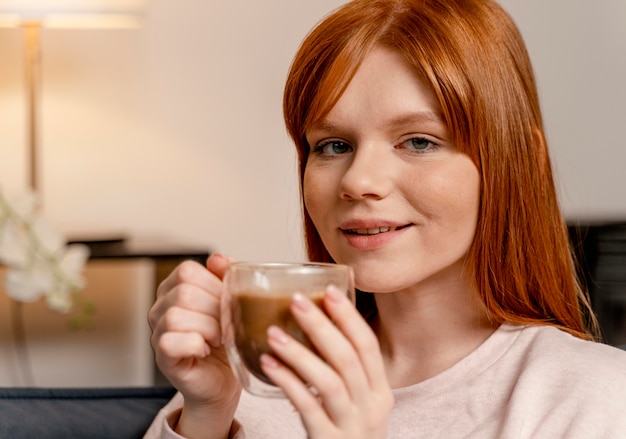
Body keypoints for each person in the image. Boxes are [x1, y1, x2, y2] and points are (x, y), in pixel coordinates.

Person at [145, 0, 626, 437]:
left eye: (419, 141)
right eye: (334, 145)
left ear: (522, 160)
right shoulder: (254, 380)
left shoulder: (592, 399)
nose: (358, 181)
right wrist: (207, 413)